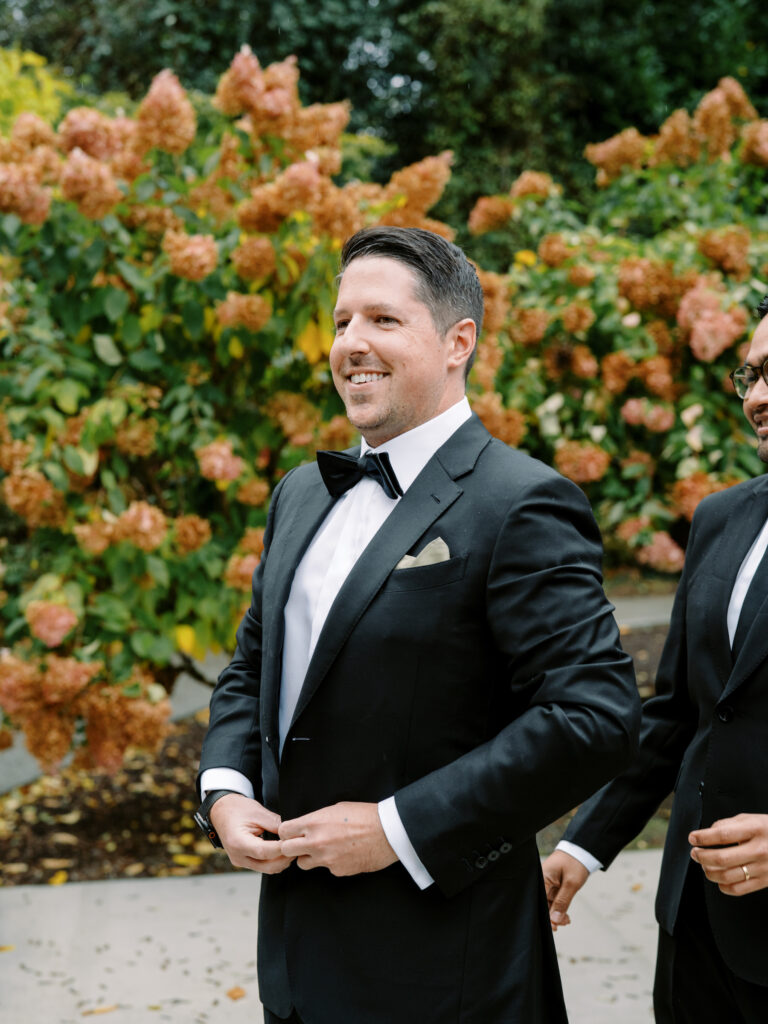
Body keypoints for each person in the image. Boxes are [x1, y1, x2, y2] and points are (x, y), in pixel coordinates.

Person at [196, 225, 640, 1024]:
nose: (351, 344)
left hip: (446, 971)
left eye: (382, 320)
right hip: (296, 963)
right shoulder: (300, 492)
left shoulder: (521, 502)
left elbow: (594, 717)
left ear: (457, 341)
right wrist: (225, 790)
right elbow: (251, 665)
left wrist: (397, 829)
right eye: (340, 323)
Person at [542, 294, 768, 1023]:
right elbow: (679, 715)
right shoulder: (719, 518)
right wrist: (583, 846)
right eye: (748, 376)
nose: (757, 397)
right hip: (696, 927)